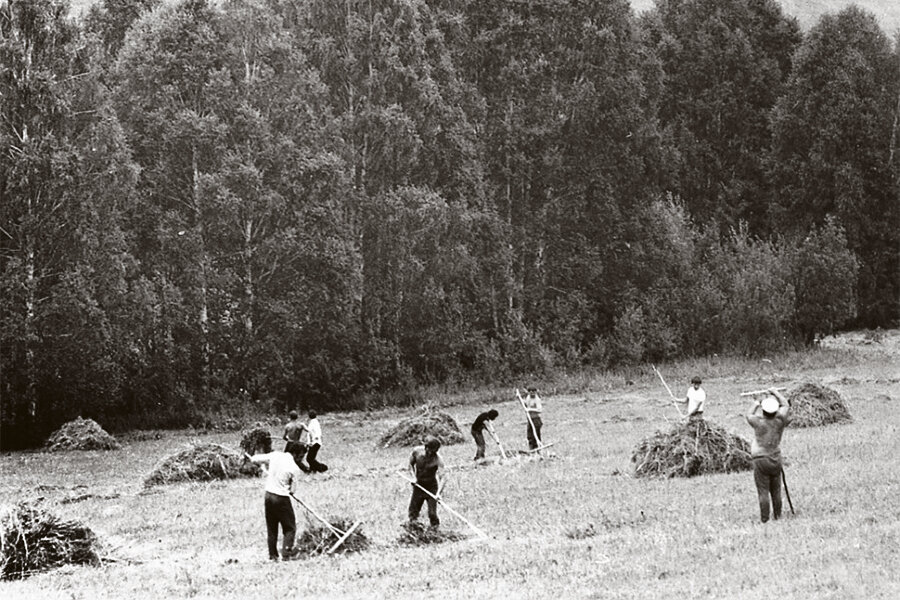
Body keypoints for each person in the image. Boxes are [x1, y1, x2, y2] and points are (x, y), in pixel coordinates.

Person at [249, 446, 304, 561]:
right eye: (301, 456)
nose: (301, 459)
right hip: (281, 498)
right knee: (290, 528)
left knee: (272, 528)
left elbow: (254, 459)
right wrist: (288, 487)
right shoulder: (294, 468)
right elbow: (293, 490)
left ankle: (273, 556)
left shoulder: (276, 455)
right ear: (295, 453)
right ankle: (286, 553)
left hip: (268, 496)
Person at [746, 388, 792, 523]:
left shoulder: (758, 422)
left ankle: (765, 520)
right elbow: (786, 405)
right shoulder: (780, 421)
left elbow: (748, 415)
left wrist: (756, 402)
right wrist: (775, 392)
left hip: (761, 458)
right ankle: (778, 517)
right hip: (776, 458)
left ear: (764, 410)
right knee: (776, 490)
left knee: (763, 491)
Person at [408, 436, 445, 528]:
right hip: (419, 486)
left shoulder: (438, 459)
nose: (431, 454)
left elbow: (443, 477)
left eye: (434, 452)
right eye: (430, 451)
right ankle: (413, 529)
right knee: (413, 511)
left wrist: (438, 493)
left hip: (431, 487)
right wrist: (413, 478)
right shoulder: (416, 452)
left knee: (432, 514)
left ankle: (435, 531)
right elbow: (410, 465)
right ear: (426, 447)